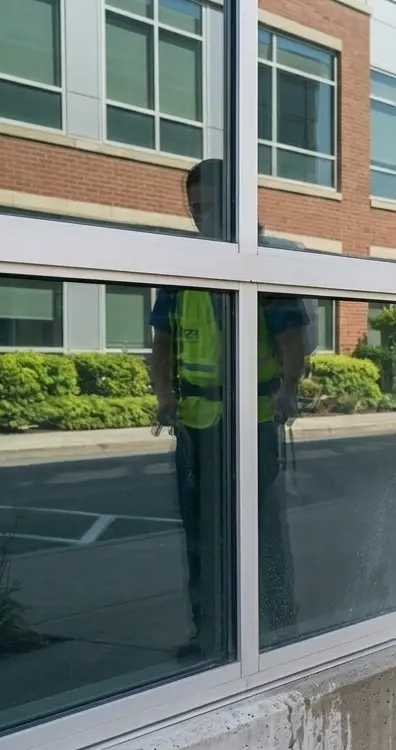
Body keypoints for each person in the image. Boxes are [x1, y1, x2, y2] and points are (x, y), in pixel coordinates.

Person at [149, 157, 312, 656]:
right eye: (194, 207)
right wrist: (164, 396)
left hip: (250, 423)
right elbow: (162, 344)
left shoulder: (262, 261)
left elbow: (293, 338)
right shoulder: (184, 270)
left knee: (261, 532)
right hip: (197, 427)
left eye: (210, 206)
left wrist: (287, 389)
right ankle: (212, 634)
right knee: (201, 536)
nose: (201, 216)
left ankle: (279, 627)